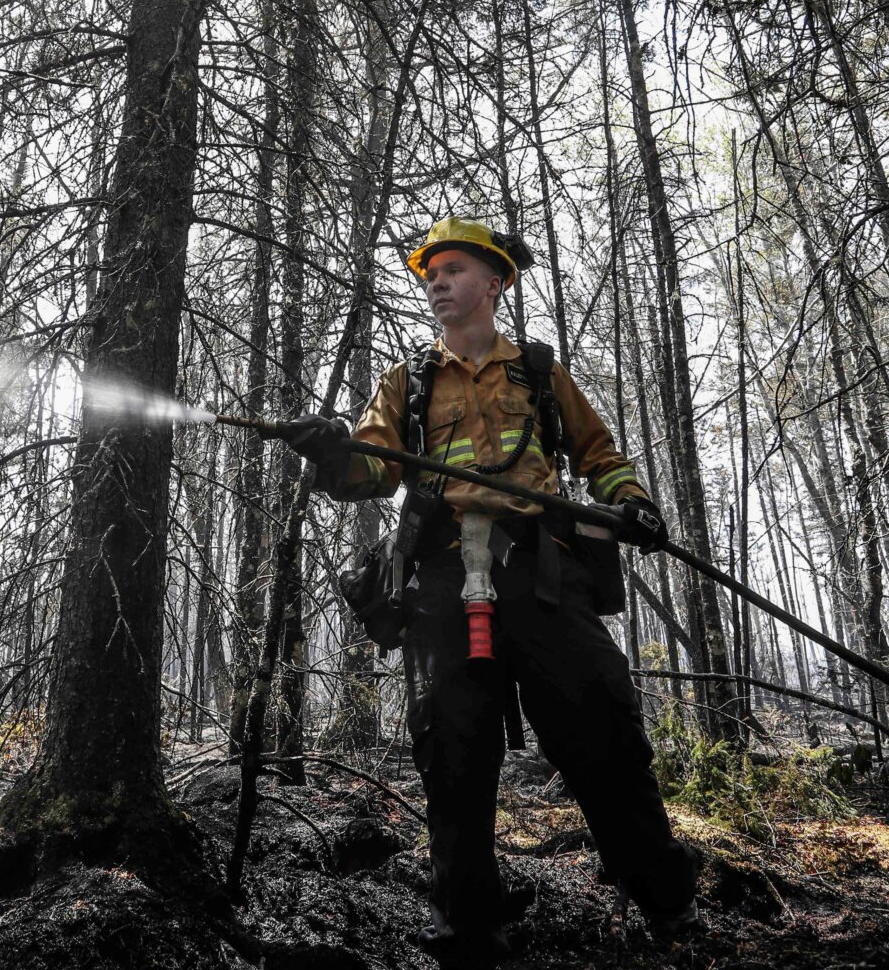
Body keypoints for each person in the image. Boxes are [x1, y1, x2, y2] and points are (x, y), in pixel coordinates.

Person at [289, 217, 700, 968]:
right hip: (444, 583)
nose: (436, 283)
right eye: (429, 275)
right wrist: (330, 453)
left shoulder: (539, 374)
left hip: (540, 574)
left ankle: (666, 900)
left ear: (496, 282)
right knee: (452, 750)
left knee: (601, 729)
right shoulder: (407, 382)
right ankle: (468, 928)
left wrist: (632, 501)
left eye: (451, 270)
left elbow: (600, 456)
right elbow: (371, 471)